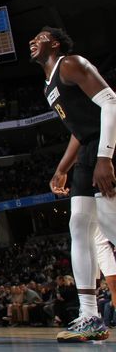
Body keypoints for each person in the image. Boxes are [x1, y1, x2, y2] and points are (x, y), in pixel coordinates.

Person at [29, 27, 116, 341]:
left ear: (53, 43)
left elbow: (111, 103)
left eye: (38, 38)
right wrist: (61, 168)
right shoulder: (48, 85)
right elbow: (78, 130)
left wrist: (106, 156)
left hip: (106, 146)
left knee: (111, 226)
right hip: (88, 151)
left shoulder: (70, 63)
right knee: (79, 226)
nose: (31, 42)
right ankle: (89, 316)